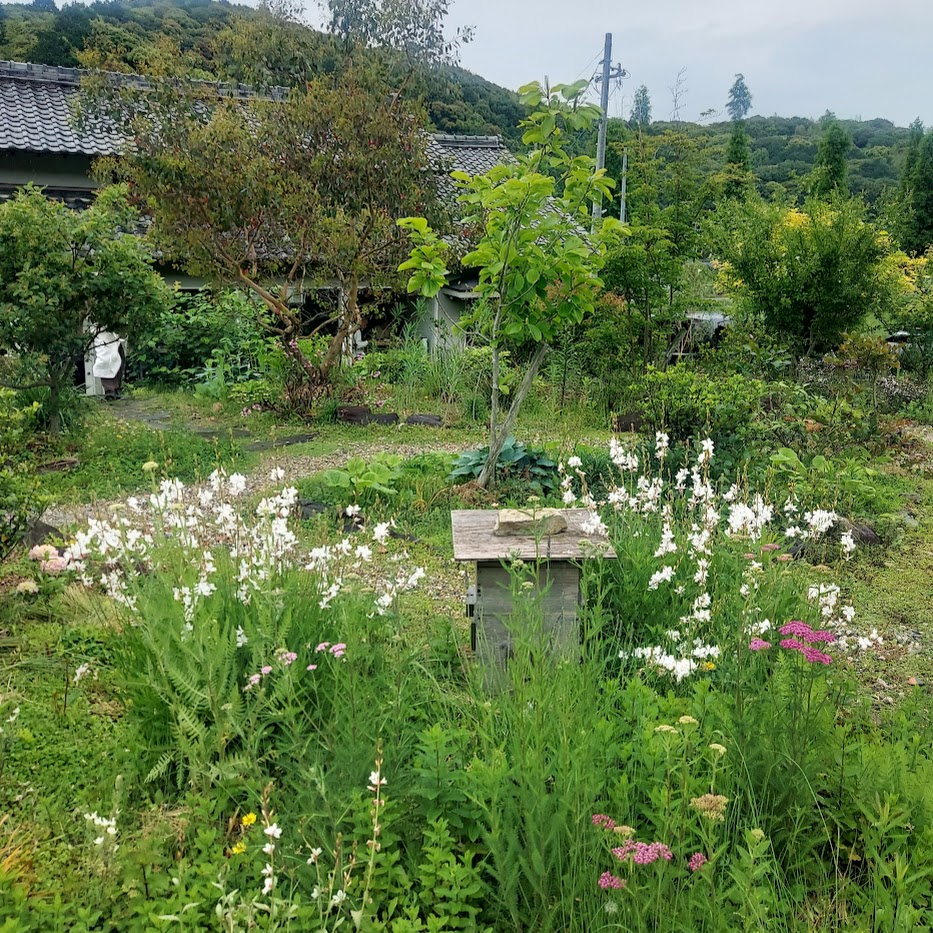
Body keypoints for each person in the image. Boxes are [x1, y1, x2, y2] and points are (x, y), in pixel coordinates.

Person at [92, 331, 126, 400]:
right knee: (104, 362)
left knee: (117, 360)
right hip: (101, 335)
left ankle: (116, 389)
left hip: (111, 335)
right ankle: (110, 390)